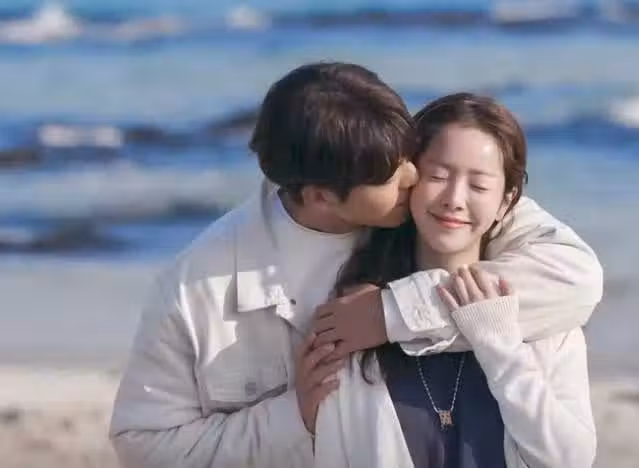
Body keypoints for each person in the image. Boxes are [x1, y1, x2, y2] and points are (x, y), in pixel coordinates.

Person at [109, 62, 602, 468]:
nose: (415, 177)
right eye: (394, 174)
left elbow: (575, 276)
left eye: (408, 154)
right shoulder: (198, 287)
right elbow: (145, 446)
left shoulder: (440, 209)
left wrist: (391, 313)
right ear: (322, 197)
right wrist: (294, 418)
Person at [314, 93, 595, 468]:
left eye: (478, 186)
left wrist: (498, 344)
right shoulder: (355, 315)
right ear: (409, 179)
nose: (454, 199)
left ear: (506, 202)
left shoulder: (547, 321)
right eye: (438, 176)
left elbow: (569, 459)